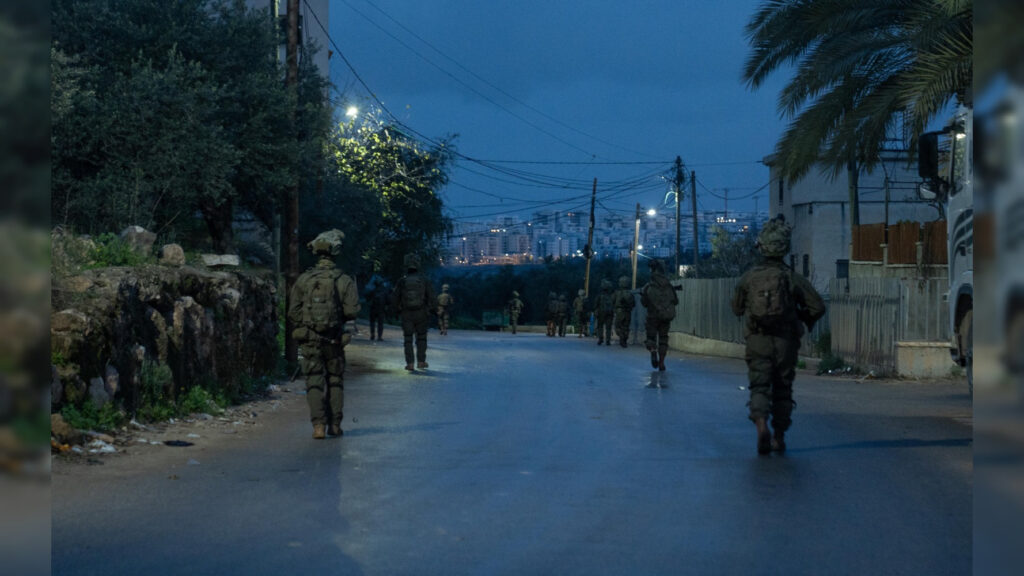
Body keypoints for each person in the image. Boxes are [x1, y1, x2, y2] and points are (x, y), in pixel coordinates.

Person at [731, 217, 825, 455]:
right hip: (785, 341)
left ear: (761, 246)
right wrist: (800, 317)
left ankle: (761, 425)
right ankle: (779, 437)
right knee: (783, 388)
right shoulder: (791, 278)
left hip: (758, 340)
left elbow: (736, 308)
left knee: (760, 385)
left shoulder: (750, 277)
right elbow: (817, 306)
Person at [288, 230, 359, 439]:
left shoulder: (303, 280)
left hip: (310, 340)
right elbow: (352, 311)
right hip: (334, 340)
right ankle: (335, 425)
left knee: (313, 381)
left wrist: (307, 326)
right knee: (335, 380)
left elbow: (293, 312)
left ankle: (318, 426)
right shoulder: (343, 280)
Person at [391, 253, 436, 371]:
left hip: (406, 313)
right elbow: (432, 297)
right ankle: (421, 361)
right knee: (421, 338)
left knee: (408, 339)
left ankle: (410, 363)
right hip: (421, 313)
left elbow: (395, 298)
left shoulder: (402, 281)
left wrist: (395, 311)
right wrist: (433, 311)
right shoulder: (424, 280)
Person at [641, 259, 678, 371]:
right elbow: (676, 301)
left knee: (651, 337)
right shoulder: (669, 286)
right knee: (663, 339)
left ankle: (653, 351)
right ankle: (661, 362)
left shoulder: (649, 286)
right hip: (665, 317)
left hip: (652, 316)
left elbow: (644, 303)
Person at [365, 274, 390, 341]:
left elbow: (367, 298)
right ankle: (379, 336)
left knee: (372, 322)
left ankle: (372, 335)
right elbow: (388, 301)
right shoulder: (384, 291)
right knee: (380, 323)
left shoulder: (373, 290)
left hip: (373, 308)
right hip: (381, 309)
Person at [613, 275, 636, 347]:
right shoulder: (630, 294)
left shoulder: (617, 293)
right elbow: (633, 304)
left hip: (619, 311)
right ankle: (624, 340)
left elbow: (613, 301)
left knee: (618, 326)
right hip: (628, 312)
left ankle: (622, 337)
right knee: (626, 327)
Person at [594, 279, 615, 346]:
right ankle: (608, 340)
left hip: (601, 312)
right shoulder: (612, 295)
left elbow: (595, 304)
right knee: (608, 327)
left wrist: (596, 310)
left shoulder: (600, 295)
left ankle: (601, 339)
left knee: (600, 326)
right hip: (610, 313)